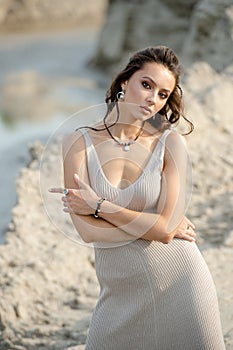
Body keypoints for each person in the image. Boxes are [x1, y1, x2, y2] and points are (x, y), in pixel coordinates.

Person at [49, 46, 225, 349]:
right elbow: (87, 231)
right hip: (119, 293)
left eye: (162, 94)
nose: (152, 99)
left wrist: (99, 206)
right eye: (146, 84)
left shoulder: (170, 144)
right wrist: (152, 223)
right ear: (123, 82)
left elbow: (167, 232)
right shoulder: (79, 143)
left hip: (181, 282)